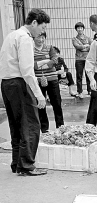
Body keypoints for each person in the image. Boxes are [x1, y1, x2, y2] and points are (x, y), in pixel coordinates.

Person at [0, 8, 49, 176]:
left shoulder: (11, 35)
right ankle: (27, 165)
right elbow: (27, 71)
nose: (43, 31)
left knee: (15, 124)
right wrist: (39, 95)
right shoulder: (25, 38)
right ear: (34, 23)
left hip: (6, 84)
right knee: (30, 124)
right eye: (42, 27)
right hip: (20, 83)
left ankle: (17, 163)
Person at [33, 31, 64, 133]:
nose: (41, 40)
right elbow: (32, 65)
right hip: (38, 80)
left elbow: (54, 61)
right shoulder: (30, 49)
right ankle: (44, 129)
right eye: (38, 37)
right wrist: (46, 62)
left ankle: (60, 127)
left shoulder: (50, 48)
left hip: (52, 79)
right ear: (34, 37)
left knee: (57, 103)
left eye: (43, 37)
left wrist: (40, 64)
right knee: (41, 105)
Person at [72, 22, 93, 98]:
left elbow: (91, 47)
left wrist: (83, 47)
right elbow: (78, 47)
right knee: (79, 76)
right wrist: (85, 47)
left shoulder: (88, 38)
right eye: (78, 28)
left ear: (83, 29)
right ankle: (80, 91)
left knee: (88, 74)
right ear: (76, 29)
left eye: (81, 28)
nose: (80, 29)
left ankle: (89, 90)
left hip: (87, 59)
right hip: (79, 59)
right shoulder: (74, 39)